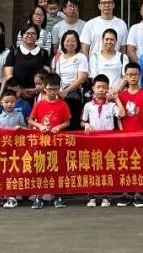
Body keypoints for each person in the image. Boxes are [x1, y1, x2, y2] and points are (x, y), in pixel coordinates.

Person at [28, 75, 71, 208]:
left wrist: (59, 127)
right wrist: (40, 126)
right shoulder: (40, 104)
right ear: (45, 88)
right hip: (42, 142)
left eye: (55, 89)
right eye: (50, 89)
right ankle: (38, 196)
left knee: (58, 169)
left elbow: (67, 122)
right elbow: (30, 120)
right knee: (41, 169)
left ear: (59, 89)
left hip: (58, 143)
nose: (52, 92)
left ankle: (58, 196)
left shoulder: (62, 104)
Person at [83, 73, 119, 208]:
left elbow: (121, 114)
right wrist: (86, 124)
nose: (101, 90)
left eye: (104, 87)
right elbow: (82, 121)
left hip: (108, 142)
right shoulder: (88, 106)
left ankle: (106, 195)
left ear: (108, 88)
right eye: (98, 87)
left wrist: (116, 98)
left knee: (107, 167)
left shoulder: (111, 106)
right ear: (93, 88)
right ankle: (92, 195)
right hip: (92, 141)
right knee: (92, 168)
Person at [0, 89, 27, 208]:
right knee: (1, 173)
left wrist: (20, 128)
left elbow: (26, 130)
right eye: (6, 102)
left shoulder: (19, 115)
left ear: (16, 102)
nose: (9, 104)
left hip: (15, 150)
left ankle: (12, 196)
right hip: (1, 150)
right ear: (1, 102)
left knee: (13, 173)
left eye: (12, 102)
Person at [3, 22, 51, 106]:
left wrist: (37, 89)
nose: (30, 36)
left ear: (37, 36)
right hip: (17, 95)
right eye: (27, 33)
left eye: (33, 34)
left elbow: (46, 75)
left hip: (38, 94)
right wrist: (21, 90)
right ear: (22, 35)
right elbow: (8, 75)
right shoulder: (14, 52)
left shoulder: (43, 53)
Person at [51, 29, 89, 130]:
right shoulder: (57, 57)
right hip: (57, 92)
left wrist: (66, 91)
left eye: (73, 41)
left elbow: (81, 79)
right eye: (67, 41)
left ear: (77, 43)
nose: (70, 43)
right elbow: (53, 76)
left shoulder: (81, 57)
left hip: (73, 93)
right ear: (63, 42)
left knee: (72, 123)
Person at [90, 28, 130, 94]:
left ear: (116, 41)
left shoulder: (123, 57)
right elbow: (95, 78)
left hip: (118, 94)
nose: (109, 42)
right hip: (100, 94)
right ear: (102, 40)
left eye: (112, 39)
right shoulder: (95, 56)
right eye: (107, 39)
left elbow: (125, 77)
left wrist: (115, 92)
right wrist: (104, 92)